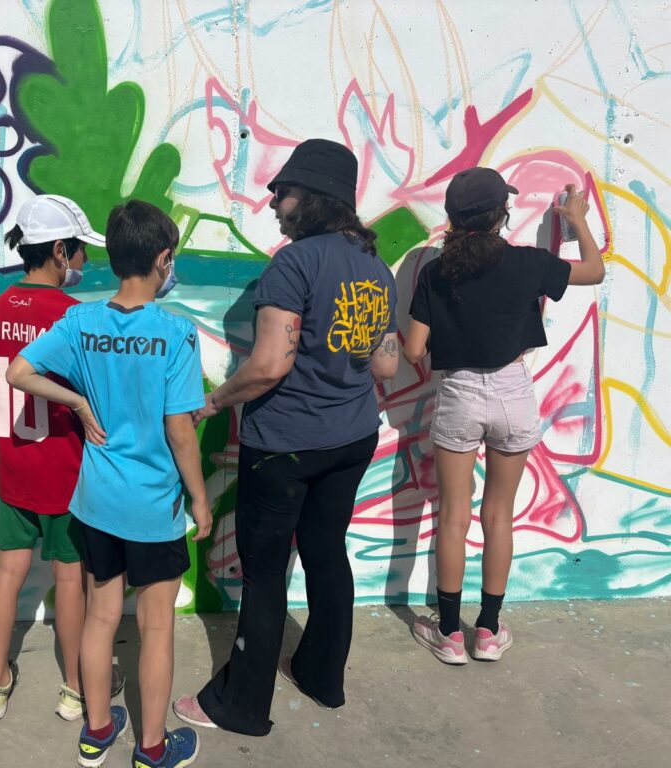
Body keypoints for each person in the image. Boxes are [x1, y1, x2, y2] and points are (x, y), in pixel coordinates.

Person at [172, 139, 399, 735]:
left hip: (286, 444)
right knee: (327, 553)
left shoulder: (293, 264)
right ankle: (323, 678)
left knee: (266, 573)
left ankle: (241, 705)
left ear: (317, 197)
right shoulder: (376, 268)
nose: (273, 200)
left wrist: (213, 402)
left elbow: (270, 364)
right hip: (352, 437)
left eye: (285, 190)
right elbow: (386, 365)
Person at [6, 199, 211, 768]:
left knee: (101, 617)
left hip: (96, 502)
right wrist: (199, 499)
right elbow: (180, 431)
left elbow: (19, 372)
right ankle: (152, 748)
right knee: (156, 627)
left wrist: (76, 400)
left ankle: (97, 732)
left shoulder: (80, 322)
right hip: (152, 507)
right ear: (163, 259)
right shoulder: (177, 333)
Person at [403, 172, 604, 663]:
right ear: (501, 215)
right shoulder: (527, 263)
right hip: (513, 393)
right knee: (498, 516)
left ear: (453, 217)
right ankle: (488, 632)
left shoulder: (435, 272)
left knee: (453, 515)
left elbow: (413, 350)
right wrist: (576, 220)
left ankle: (449, 635)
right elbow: (594, 271)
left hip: (460, 393)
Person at [0, 194, 124, 721]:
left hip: (14, 462)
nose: (85, 261)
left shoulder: (0, 306)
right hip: (63, 469)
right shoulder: (72, 315)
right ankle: (74, 687)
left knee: (8, 570)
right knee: (69, 578)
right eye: (80, 251)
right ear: (60, 251)